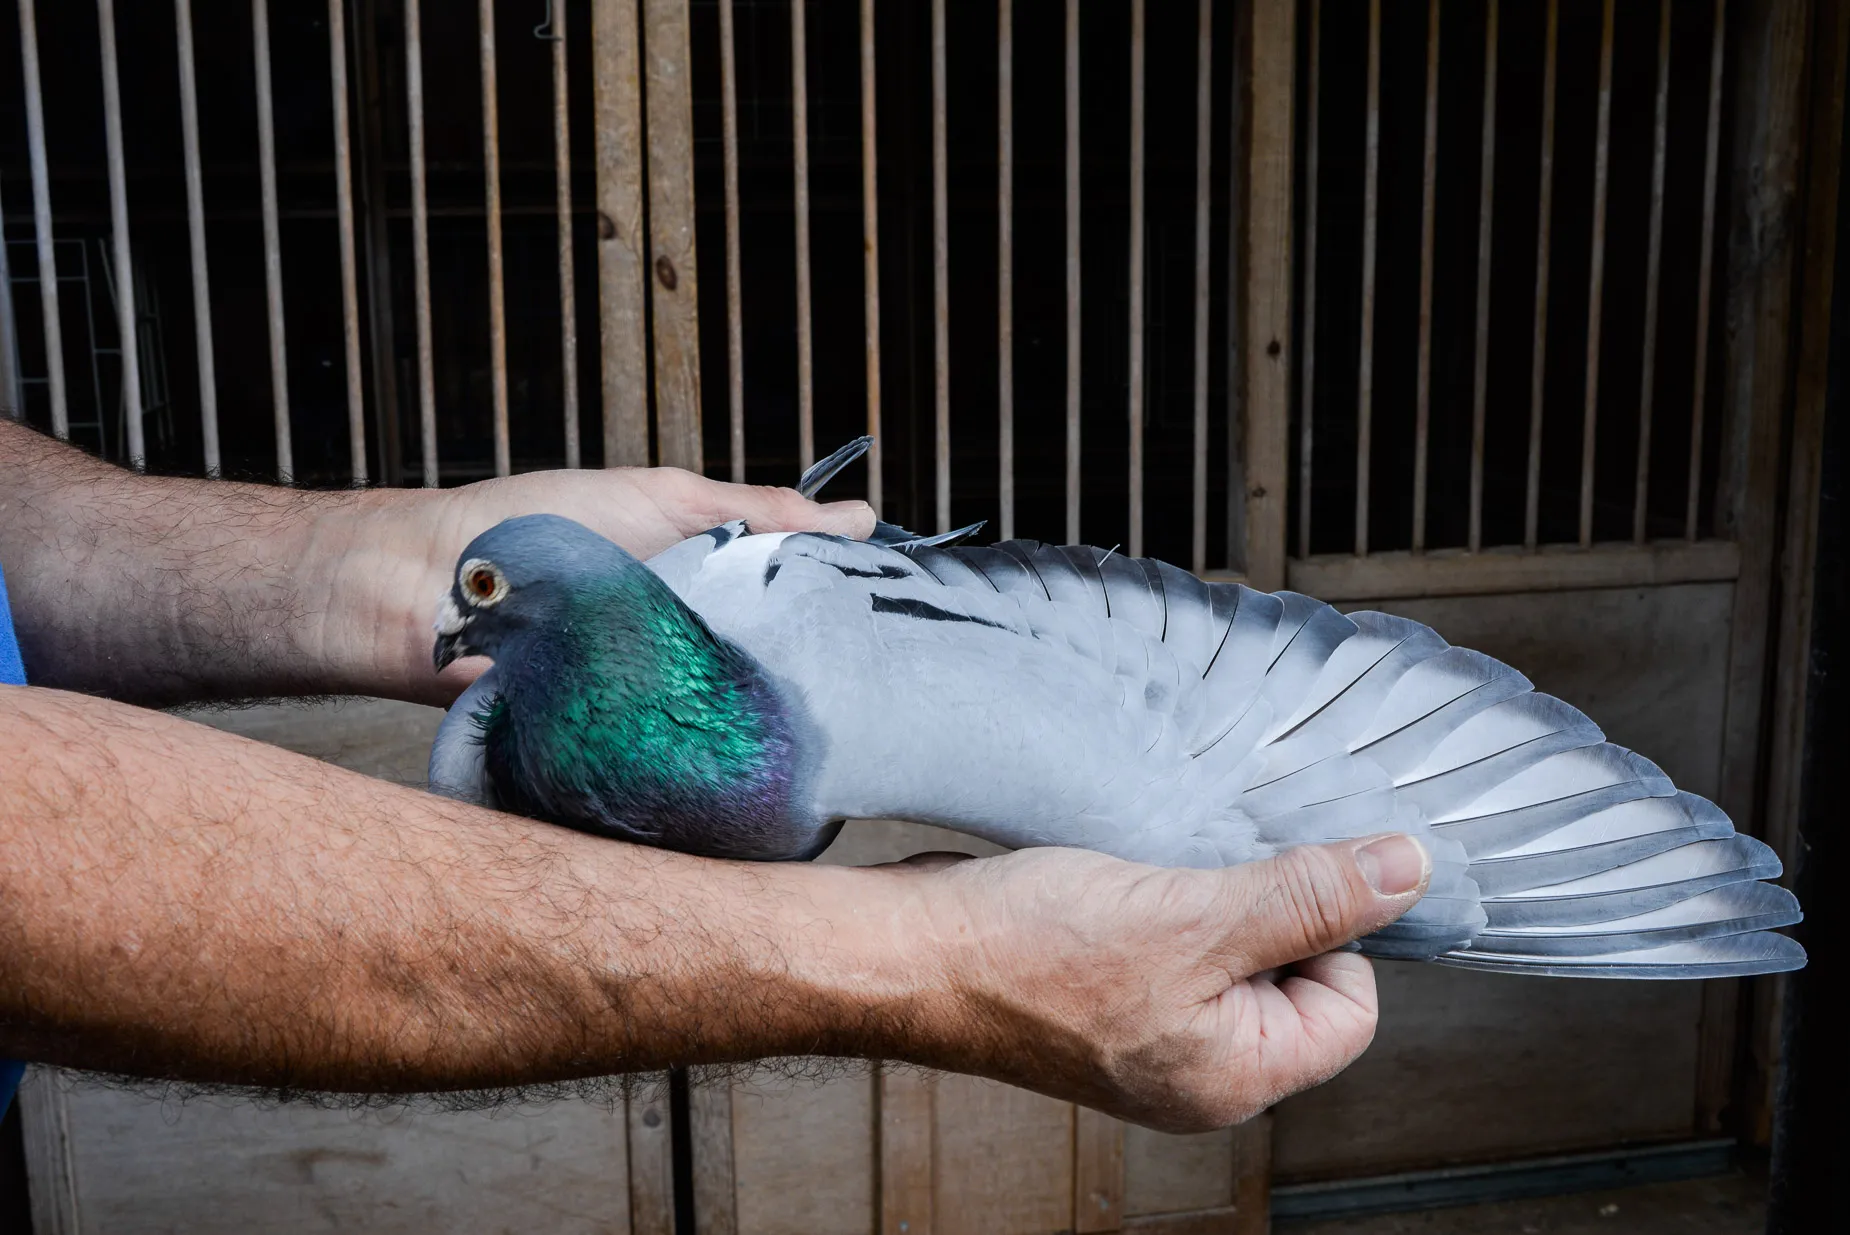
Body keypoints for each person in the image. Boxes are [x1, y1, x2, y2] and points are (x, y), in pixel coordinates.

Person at [0, 417, 1428, 1132]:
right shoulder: (487, 731)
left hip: (769, 634)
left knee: (1228, 827)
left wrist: (363, 568)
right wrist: (940, 955)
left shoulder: (785, 706)